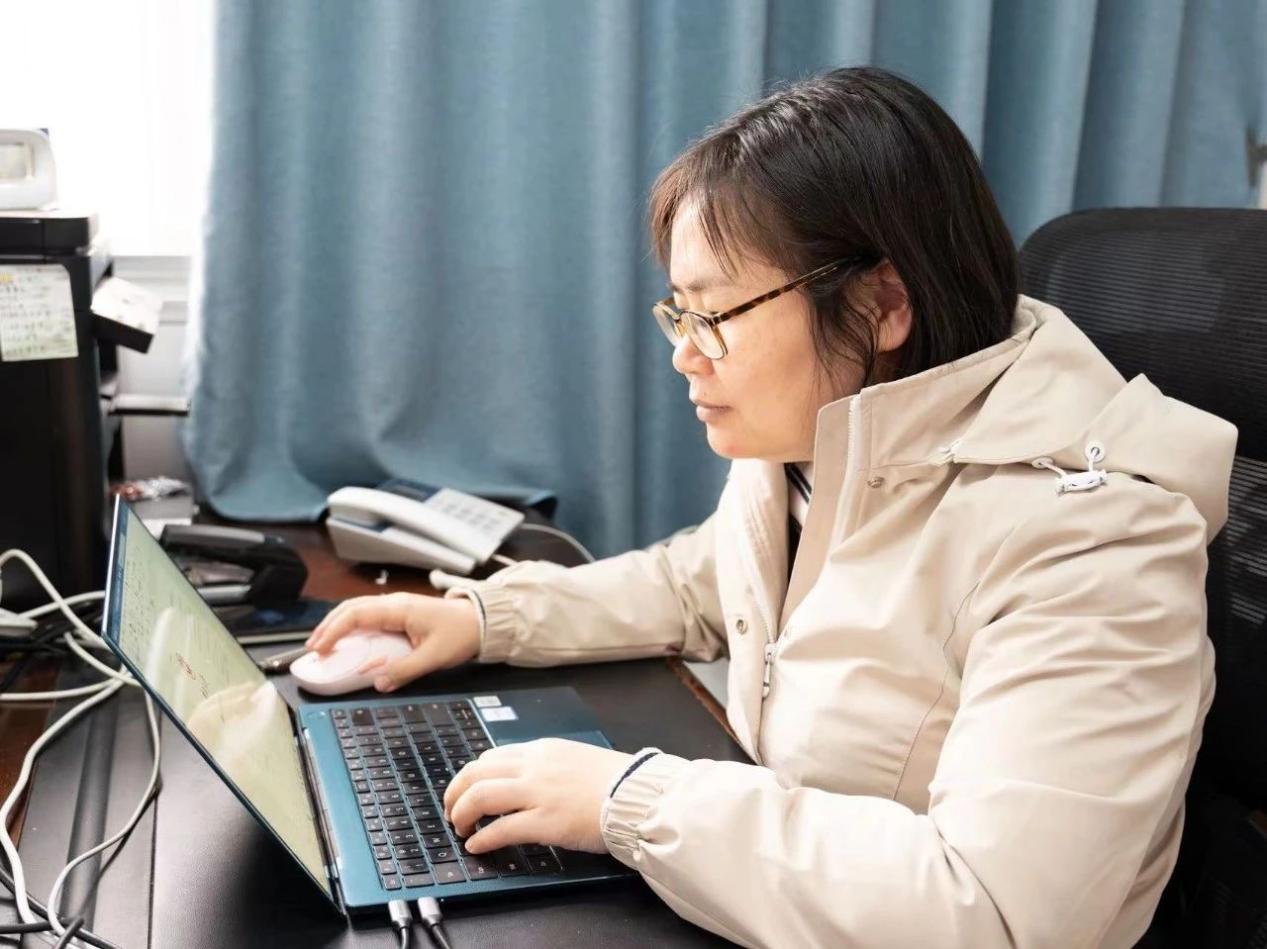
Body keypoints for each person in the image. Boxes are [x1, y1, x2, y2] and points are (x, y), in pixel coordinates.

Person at [305, 67, 1237, 948]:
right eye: (679, 313)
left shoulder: (1092, 544)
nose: (685, 353)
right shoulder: (826, 444)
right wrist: (484, 617)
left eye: (714, 315)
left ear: (879, 304)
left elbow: (991, 912)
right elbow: (701, 579)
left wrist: (632, 803)